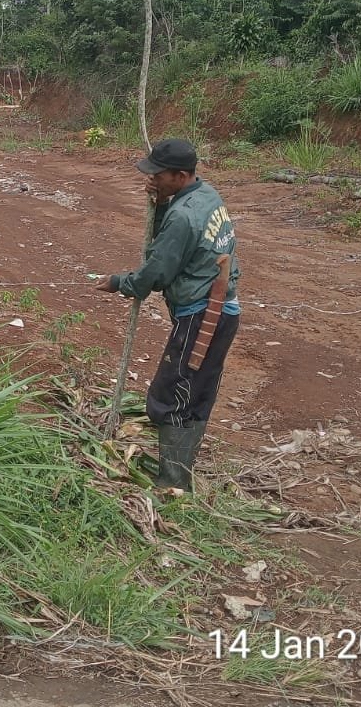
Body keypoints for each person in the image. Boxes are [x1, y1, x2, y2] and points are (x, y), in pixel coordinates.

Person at [94, 137, 240, 493]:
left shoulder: (183, 215)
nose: (152, 179)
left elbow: (157, 271)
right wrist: (160, 205)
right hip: (223, 312)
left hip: (200, 319)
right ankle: (180, 478)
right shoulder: (207, 196)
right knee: (196, 394)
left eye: (159, 175)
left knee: (169, 396)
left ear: (180, 174)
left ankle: (171, 487)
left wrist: (120, 282)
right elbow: (173, 243)